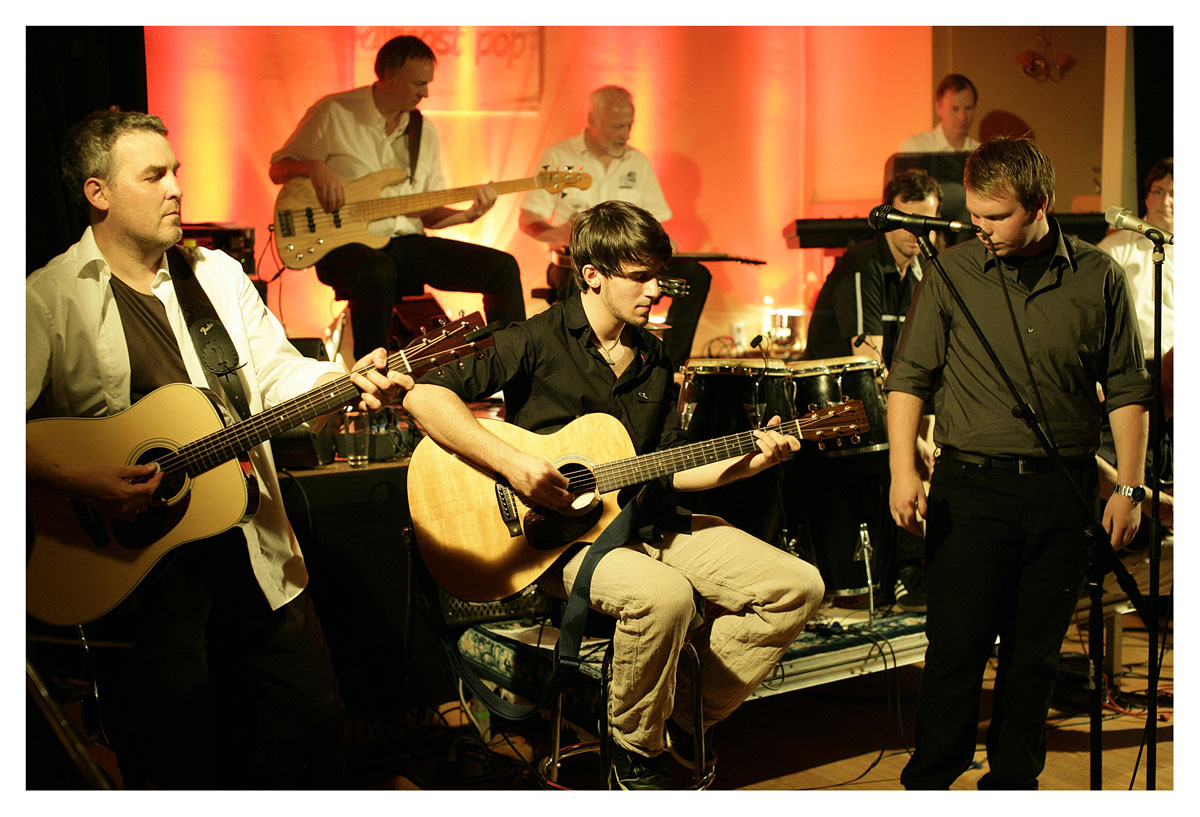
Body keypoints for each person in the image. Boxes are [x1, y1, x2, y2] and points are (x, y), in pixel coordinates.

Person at [27, 109, 412, 788]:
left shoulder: (218, 276)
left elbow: (276, 375)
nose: (177, 187)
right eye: (154, 175)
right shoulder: (48, 298)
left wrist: (341, 381)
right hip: (138, 574)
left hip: (254, 546)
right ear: (98, 193)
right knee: (178, 759)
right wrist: (78, 481)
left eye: (175, 171)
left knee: (313, 726)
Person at [404, 200, 824, 789]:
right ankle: (634, 751)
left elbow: (670, 468)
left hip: (648, 521)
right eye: (640, 276)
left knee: (798, 586)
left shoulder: (655, 356)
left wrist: (751, 461)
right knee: (665, 597)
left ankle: (684, 716)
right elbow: (424, 396)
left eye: (659, 276)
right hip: (557, 541)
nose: (656, 290)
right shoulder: (534, 339)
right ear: (592, 274)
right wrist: (517, 467)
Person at [886, 137, 1151, 789]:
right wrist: (902, 470)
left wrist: (1131, 486)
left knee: (1035, 655)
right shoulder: (951, 271)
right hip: (970, 488)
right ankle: (931, 781)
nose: (981, 227)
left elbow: (1126, 387)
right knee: (955, 649)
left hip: (1062, 490)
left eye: (996, 216)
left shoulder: (1098, 276)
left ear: (1040, 204)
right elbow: (909, 377)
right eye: (974, 214)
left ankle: (1013, 786)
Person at [269, 34, 526, 362]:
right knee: (377, 270)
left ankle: (513, 369)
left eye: (428, 83)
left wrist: (469, 215)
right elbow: (278, 169)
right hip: (341, 247)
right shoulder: (333, 112)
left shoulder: (424, 132)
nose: (426, 93)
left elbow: (425, 211)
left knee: (502, 268)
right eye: (418, 83)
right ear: (387, 75)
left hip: (404, 244)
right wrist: (313, 167)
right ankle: (370, 380)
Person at [804, 169, 943, 611]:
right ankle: (904, 572)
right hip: (830, 404)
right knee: (907, 452)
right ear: (887, 219)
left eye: (924, 223)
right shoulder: (863, 262)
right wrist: (912, 435)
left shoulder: (924, 269)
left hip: (879, 398)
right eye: (906, 222)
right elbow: (868, 363)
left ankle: (928, 564)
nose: (915, 233)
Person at [519, 85, 711, 371]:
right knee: (578, 281)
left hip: (632, 264)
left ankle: (667, 368)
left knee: (695, 276)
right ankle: (582, 368)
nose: (625, 134)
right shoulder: (560, 156)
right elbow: (528, 218)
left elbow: (655, 221)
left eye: (629, 126)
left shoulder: (637, 162)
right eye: (617, 126)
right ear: (592, 120)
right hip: (575, 264)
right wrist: (562, 235)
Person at [1097, 158, 1174, 530]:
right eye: (1158, 191)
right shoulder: (1118, 247)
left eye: (1176, 193)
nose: (1166, 201)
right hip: (1129, 366)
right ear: (1146, 197)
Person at [900, 73, 980, 154]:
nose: (962, 117)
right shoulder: (915, 147)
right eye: (955, 109)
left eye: (968, 108)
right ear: (938, 107)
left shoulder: (980, 153)